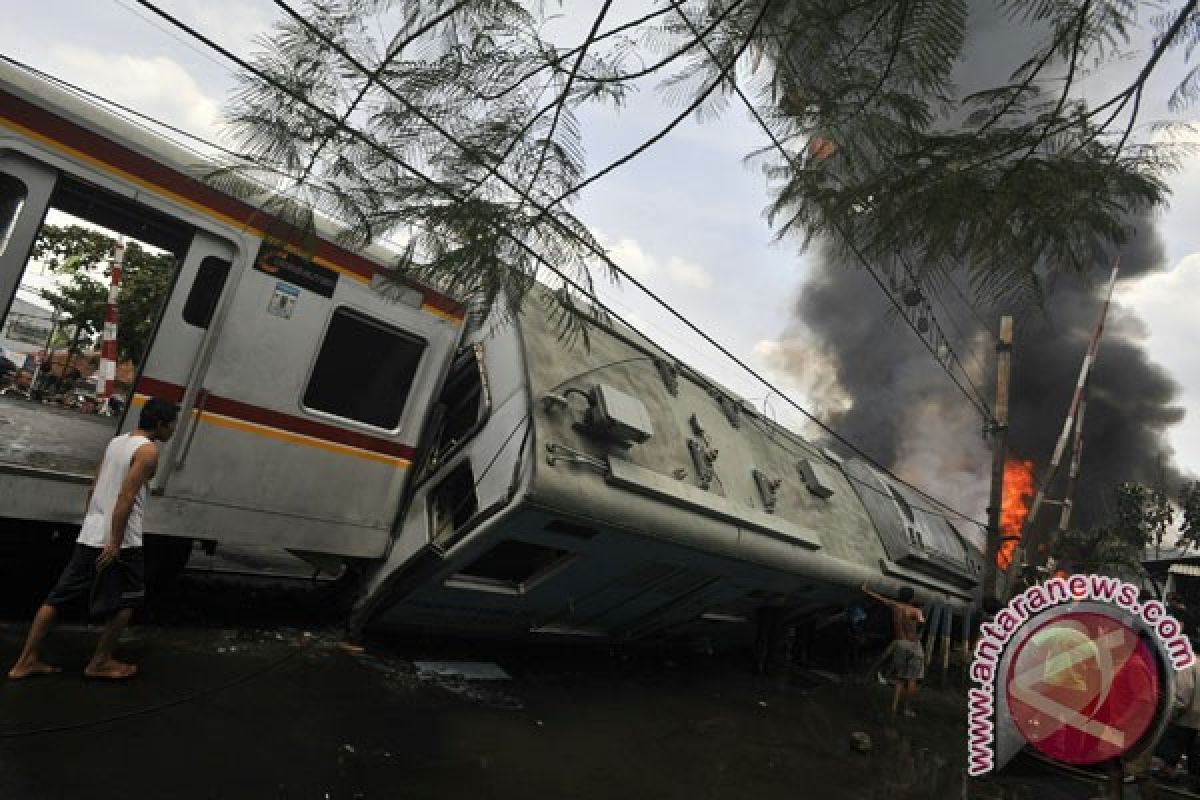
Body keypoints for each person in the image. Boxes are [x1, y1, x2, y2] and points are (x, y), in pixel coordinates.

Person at [6, 397, 178, 680]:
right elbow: (126, 497)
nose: (172, 431)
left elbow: (95, 485)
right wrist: (113, 541)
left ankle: (25, 660)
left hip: (91, 533)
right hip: (121, 540)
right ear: (159, 424)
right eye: (171, 426)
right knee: (127, 602)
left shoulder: (117, 442)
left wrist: (91, 522)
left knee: (57, 598)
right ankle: (100, 661)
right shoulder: (147, 452)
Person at [863, 581, 926, 719]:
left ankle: (893, 707)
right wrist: (918, 636)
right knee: (912, 679)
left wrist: (867, 590)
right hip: (913, 645)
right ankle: (907, 709)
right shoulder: (916, 611)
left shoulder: (895, 606)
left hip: (899, 643)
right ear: (911, 598)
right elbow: (921, 624)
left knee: (899, 678)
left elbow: (881, 599)